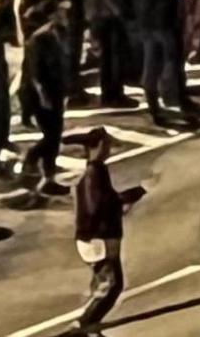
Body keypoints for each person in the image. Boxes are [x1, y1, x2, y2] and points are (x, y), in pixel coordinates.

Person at [70, 129, 130, 333]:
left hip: (96, 238)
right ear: (95, 147)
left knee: (105, 284)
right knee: (111, 285)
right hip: (97, 239)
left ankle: (90, 326)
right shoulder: (93, 173)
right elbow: (97, 205)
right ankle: (83, 326)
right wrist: (119, 203)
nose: (109, 149)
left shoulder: (96, 171)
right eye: (105, 144)